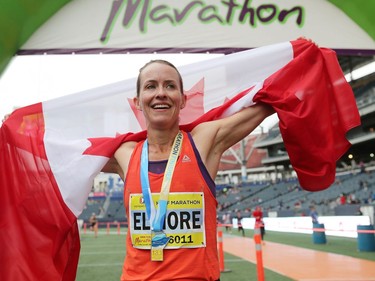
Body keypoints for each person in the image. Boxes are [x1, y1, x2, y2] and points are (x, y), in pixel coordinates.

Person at [98, 59, 274, 280]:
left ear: (183, 100)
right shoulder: (124, 154)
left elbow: (268, 102)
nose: (161, 93)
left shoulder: (204, 142)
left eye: (170, 86)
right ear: (137, 102)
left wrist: (300, 65)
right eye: (151, 86)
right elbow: (67, 158)